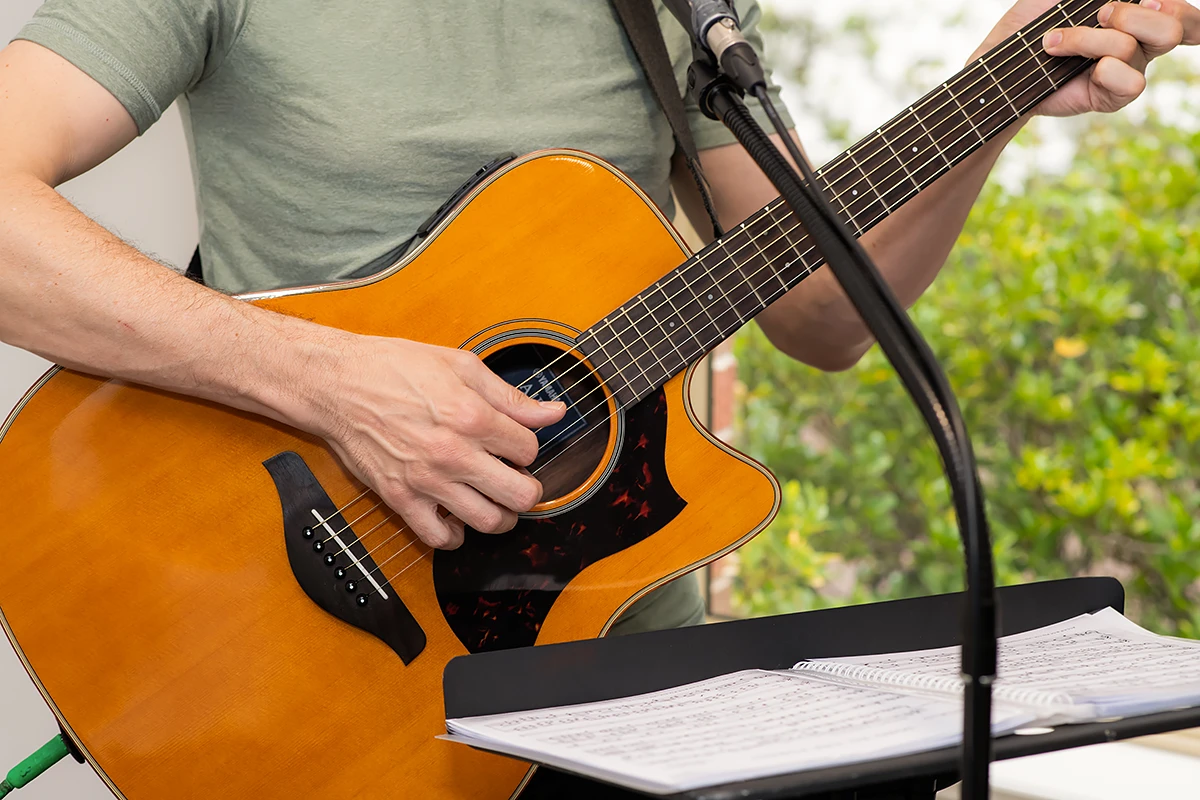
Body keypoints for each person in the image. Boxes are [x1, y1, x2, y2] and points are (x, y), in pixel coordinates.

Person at [0, 0, 1195, 636]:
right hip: (318, 637)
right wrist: (335, 383)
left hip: (619, 657)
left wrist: (1005, 77)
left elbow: (824, 309)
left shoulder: (677, 3)